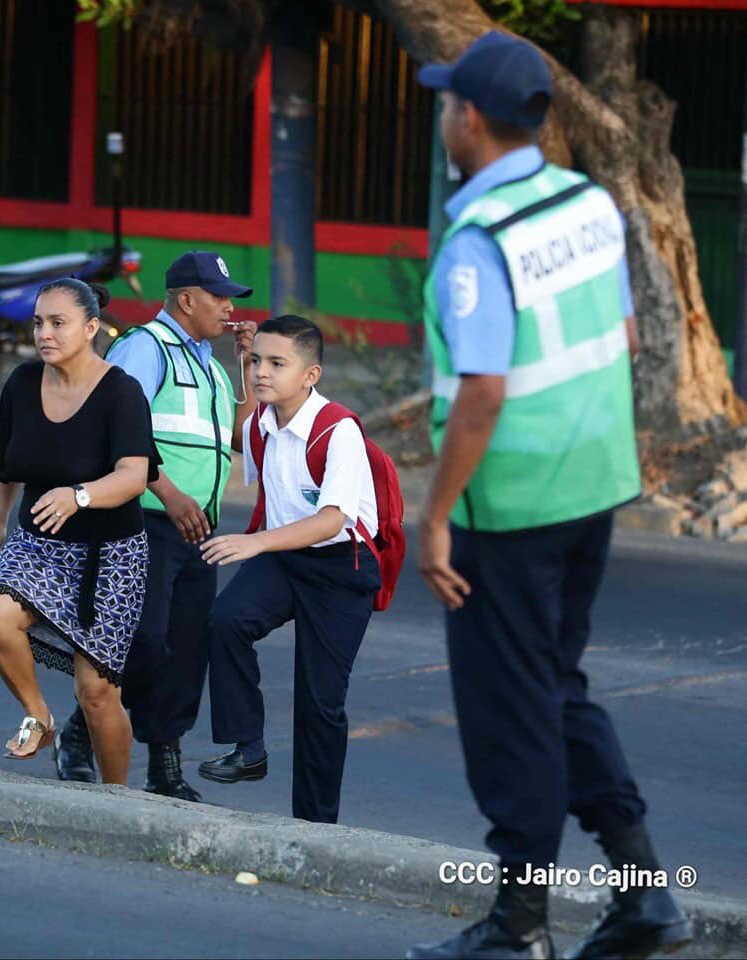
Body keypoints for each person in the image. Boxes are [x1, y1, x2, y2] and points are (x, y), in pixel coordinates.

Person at [407, 32, 692, 960]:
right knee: (556, 686)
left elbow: (483, 390)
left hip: (512, 509)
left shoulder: (476, 242)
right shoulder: (588, 204)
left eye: (451, 103)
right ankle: (645, 892)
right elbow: (623, 339)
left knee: (510, 712)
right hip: (593, 492)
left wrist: (435, 513)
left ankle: (519, 926)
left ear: (472, 119)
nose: (446, 115)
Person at [53, 251, 257, 801]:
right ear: (186, 300)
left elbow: (238, 440)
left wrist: (247, 368)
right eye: (219, 298)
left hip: (199, 529)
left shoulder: (212, 365)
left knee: (188, 648)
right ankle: (81, 729)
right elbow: (118, 428)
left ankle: (164, 766)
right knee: (143, 642)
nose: (228, 308)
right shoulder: (145, 346)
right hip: (144, 519)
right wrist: (168, 494)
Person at [196, 314, 381, 825]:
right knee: (226, 620)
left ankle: (315, 825)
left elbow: (331, 520)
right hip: (284, 559)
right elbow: (240, 433)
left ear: (311, 375)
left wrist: (255, 542)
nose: (261, 372)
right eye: (258, 361)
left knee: (320, 704)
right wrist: (241, 360)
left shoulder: (337, 430)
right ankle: (249, 748)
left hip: (341, 569)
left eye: (277, 363)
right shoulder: (262, 421)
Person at [0, 278, 159, 785]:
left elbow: (133, 476)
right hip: (39, 542)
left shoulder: (121, 392)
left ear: (92, 327)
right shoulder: (21, 384)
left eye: (59, 323)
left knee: (96, 693)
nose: (45, 334)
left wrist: (78, 495)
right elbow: (7, 464)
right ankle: (39, 716)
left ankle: (117, 799)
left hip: (110, 553)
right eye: (39, 323)